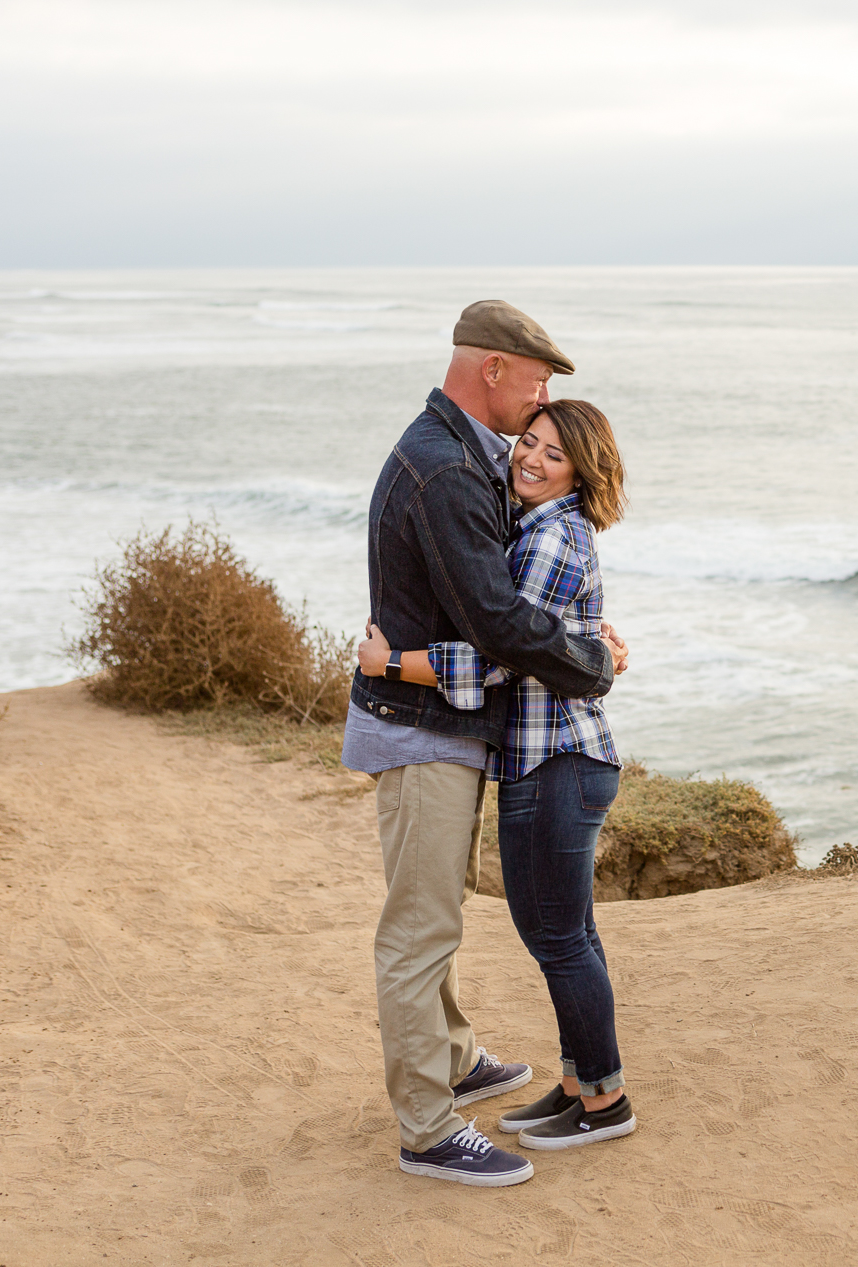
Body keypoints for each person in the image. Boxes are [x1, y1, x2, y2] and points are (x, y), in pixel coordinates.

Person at [343, 301, 623, 1188]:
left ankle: (456, 1057)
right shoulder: (447, 468)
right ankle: (428, 1128)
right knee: (420, 927)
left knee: (440, 918)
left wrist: (581, 626)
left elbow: (528, 593)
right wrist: (590, 656)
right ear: (496, 369)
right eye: (538, 381)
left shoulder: (469, 456)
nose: (541, 405)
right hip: (422, 729)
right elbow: (503, 625)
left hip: (447, 727)